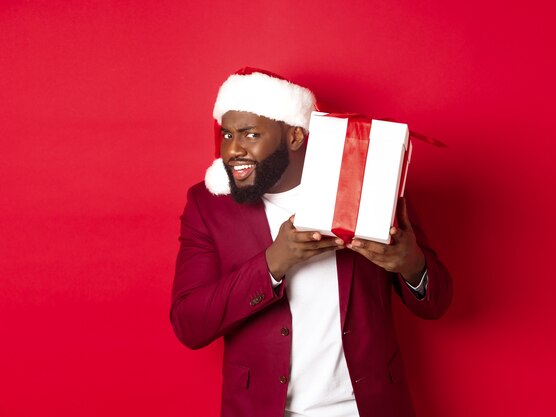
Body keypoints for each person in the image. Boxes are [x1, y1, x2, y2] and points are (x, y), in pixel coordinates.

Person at [170, 67, 452, 417]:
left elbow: (437, 303)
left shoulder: (369, 183)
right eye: (227, 135)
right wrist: (274, 263)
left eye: (250, 134)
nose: (233, 150)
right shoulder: (208, 206)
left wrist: (411, 264)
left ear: (295, 136)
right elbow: (190, 324)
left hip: (367, 407)